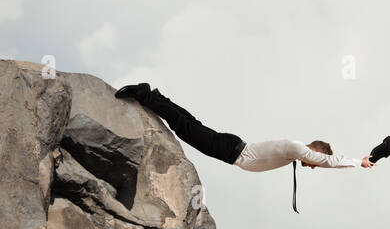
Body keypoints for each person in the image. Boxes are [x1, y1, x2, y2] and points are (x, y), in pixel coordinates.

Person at [113, 82, 371, 212]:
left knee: (189, 124)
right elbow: (328, 161)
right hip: (231, 150)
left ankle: (155, 95)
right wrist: (358, 161)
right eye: (315, 162)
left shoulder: (295, 152)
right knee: (185, 127)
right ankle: (145, 95)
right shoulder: (297, 148)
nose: (314, 167)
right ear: (314, 151)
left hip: (232, 148)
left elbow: (322, 161)